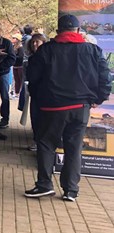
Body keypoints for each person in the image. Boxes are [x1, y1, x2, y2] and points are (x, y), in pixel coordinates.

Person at [25, 15, 111, 202]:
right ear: (78, 31)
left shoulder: (46, 50)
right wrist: (98, 98)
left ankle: (44, 185)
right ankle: (71, 190)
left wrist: (38, 97)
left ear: (58, 31)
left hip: (51, 107)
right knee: (74, 148)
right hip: (80, 108)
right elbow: (105, 78)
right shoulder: (93, 50)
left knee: (46, 144)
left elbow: (32, 76)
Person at [18, 33, 47, 151]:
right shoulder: (30, 59)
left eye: (37, 42)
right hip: (34, 92)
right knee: (34, 117)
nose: (35, 44)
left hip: (46, 93)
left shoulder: (48, 57)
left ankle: (42, 141)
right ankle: (36, 140)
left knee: (43, 119)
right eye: (33, 42)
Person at [0, 22, 16, 128]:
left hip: (3, 73)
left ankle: (5, 118)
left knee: (4, 96)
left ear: (0, 30)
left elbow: (12, 58)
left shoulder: (6, 43)